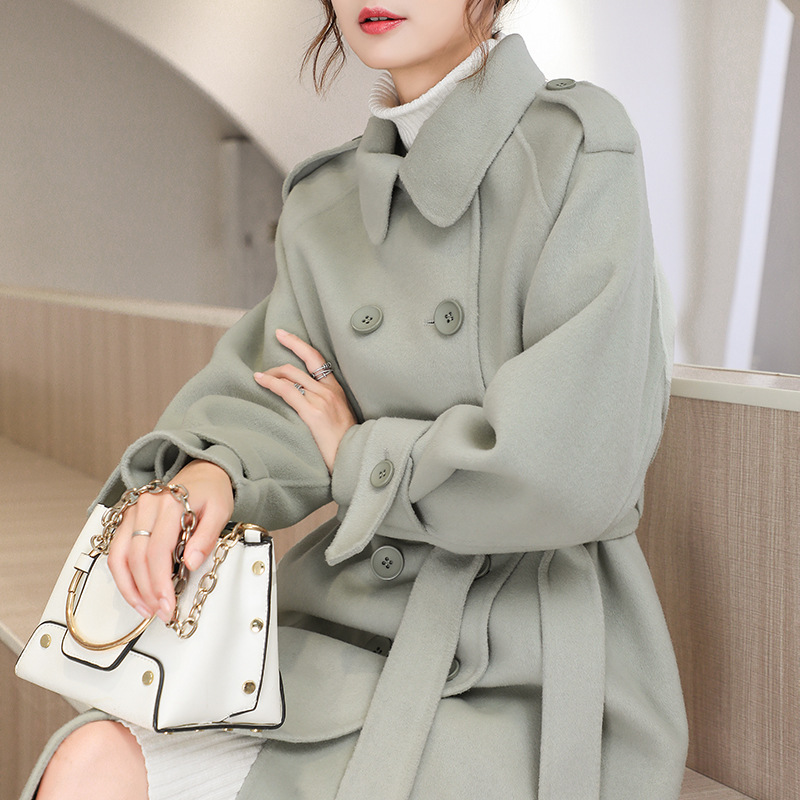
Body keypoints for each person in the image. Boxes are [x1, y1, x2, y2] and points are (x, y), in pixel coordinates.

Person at [24, 1, 689, 798]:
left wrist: (361, 454)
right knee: (88, 761)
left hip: (523, 653)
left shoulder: (578, 149)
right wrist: (209, 475)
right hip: (344, 625)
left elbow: (574, 464)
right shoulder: (327, 201)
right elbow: (282, 392)